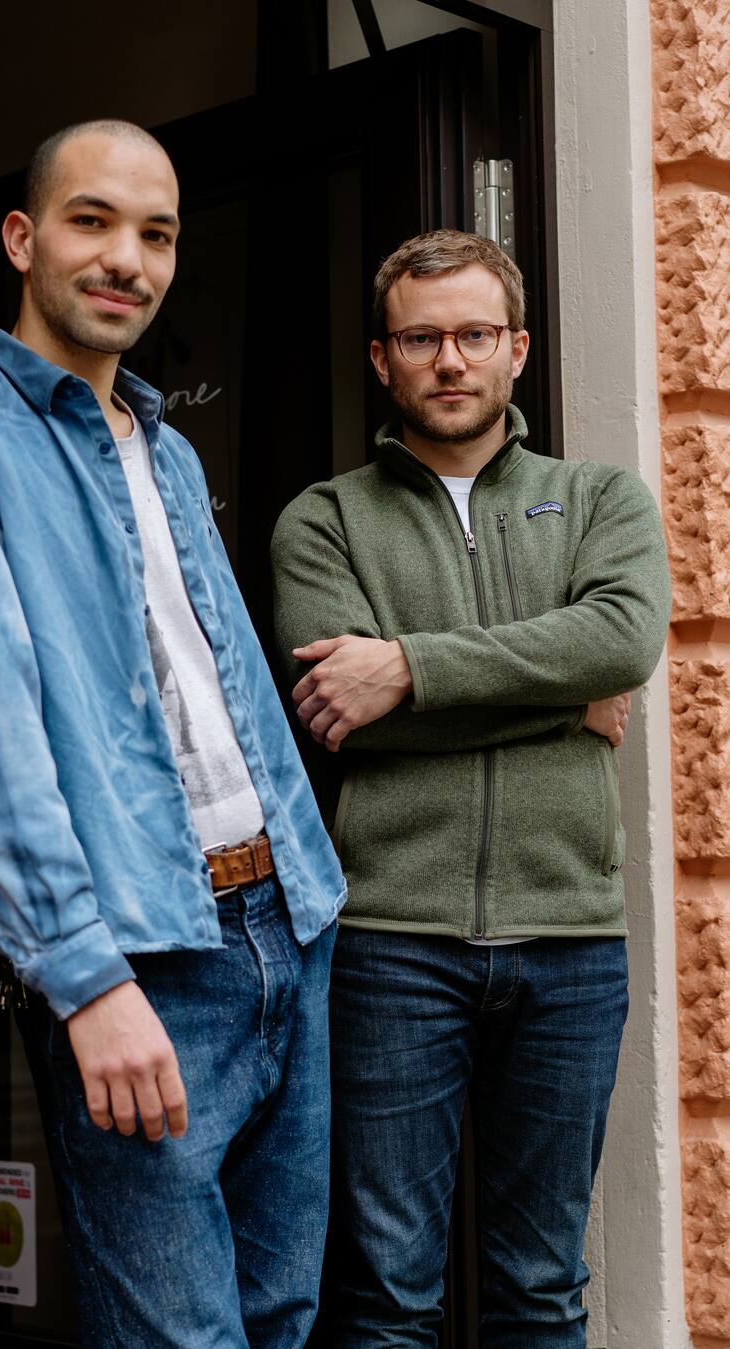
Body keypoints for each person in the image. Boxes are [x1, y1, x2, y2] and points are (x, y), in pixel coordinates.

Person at [0, 119, 344, 1349]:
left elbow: (233, 696)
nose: (128, 260)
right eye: (92, 220)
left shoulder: (162, 443)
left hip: (285, 923)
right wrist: (82, 975)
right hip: (143, 959)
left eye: (155, 234)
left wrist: (311, 892)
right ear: (23, 238)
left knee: (284, 1317)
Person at [272, 229, 671, 1347]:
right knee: (387, 1291)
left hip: (571, 942)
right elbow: (337, 713)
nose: (450, 358)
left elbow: (624, 637)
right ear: (380, 358)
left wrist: (406, 667)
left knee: (541, 1286)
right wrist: (565, 701)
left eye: (474, 334)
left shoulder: (601, 499)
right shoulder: (324, 518)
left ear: (518, 349)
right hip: (391, 942)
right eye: (422, 337)